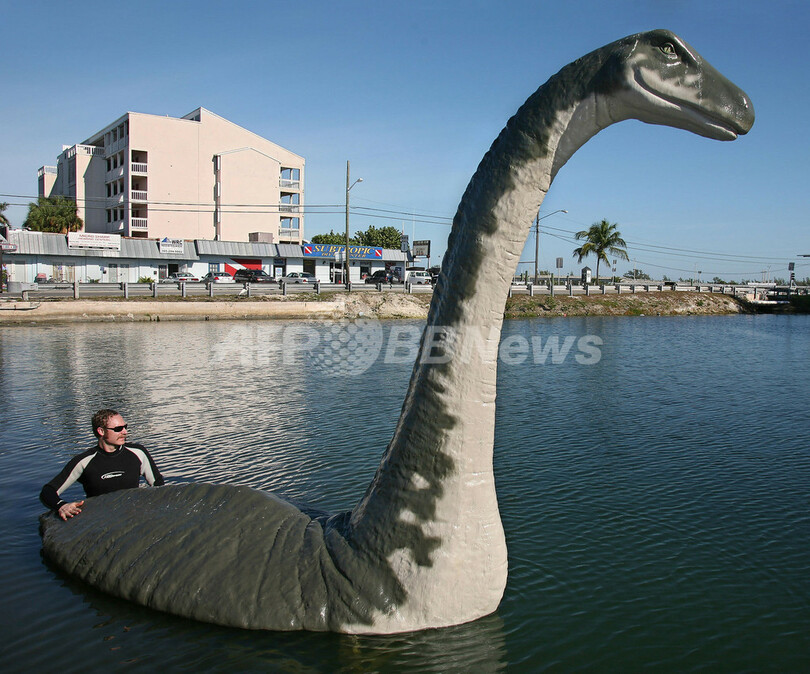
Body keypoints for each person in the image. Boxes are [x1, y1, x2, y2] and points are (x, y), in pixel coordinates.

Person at [40, 409, 164, 521]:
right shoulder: (84, 461)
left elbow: (158, 484)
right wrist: (61, 505)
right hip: (100, 521)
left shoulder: (138, 452)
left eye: (125, 427)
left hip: (132, 517)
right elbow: (47, 491)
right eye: (118, 429)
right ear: (101, 431)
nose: (125, 432)